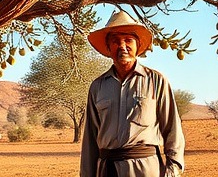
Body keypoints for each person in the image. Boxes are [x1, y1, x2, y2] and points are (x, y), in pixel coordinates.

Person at [79, 10, 185, 177]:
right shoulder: (97, 87)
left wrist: (172, 171)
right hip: (107, 170)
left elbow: (173, 130)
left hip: (146, 169)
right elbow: (90, 142)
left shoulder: (156, 81)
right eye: (115, 41)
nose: (122, 46)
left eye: (128, 40)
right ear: (108, 47)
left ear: (137, 45)